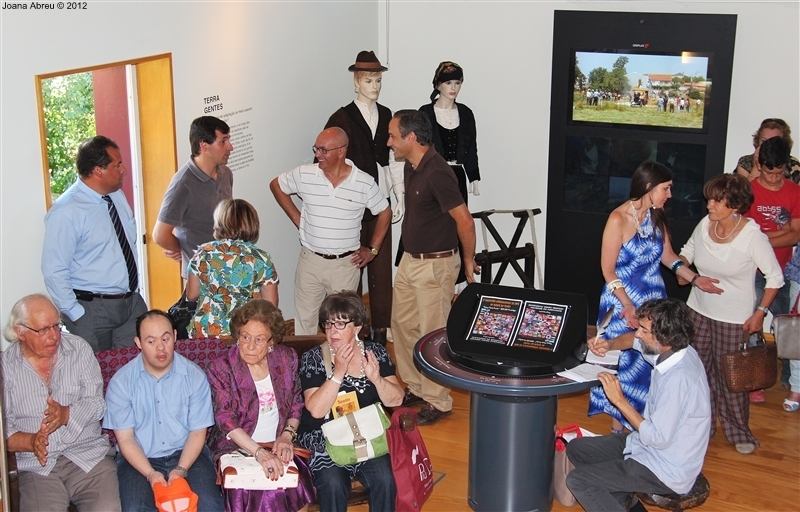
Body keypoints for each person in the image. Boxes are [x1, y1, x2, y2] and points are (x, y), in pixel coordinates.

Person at [588, 161, 721, 434]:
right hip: (621, 301)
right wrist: (627, 304)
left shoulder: (656, 215)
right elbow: (608, 270)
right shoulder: (618, 219)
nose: (669, 195)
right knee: (625, 366)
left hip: (653, 304)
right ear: (649, 187)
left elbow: (669, 257)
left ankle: (646, 426)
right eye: (666, 188)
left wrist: (695, 278)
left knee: (650, 364)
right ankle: (617, 434)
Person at [570, 299, 711, 512]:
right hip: (645, 446)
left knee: (579, 481)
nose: (637, 334)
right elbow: (632, 341)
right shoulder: (674, 350)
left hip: (666, 468)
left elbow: (657, 438)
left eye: (644, 330)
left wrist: (619, 400)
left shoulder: (679, 379)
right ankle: (629, 506)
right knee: (578, 449)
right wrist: (609, 344)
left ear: (664, 336)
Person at [679, 173, 784, 454]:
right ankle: (703, 427)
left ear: (735, 205)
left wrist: (760, 313)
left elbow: (775, 278)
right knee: (699, 372)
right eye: (710, 199)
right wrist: (684, 269)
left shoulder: (752, 237)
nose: (709, 205)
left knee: (730, 377)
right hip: (698, 310)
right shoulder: (706, 224)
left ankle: (738, 432)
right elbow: (687, 251)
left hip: (734, 318)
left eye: (716, 201)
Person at [388, 109, 478, 426]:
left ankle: (438, 400)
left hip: (435, 266)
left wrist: (468, 261)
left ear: (411, 138)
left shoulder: (438, 172)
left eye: (393, 136)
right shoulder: (411, 166)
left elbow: (465, 221)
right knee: (402, 326)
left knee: (432, 333)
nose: (389, 142)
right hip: (410, 261)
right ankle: (416, 387)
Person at [2, 294, 121, 511]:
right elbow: (4, 430)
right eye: (43, 330)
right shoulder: (5, 367)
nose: (54, 336)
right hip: (37, 465)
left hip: (87, 455)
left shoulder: (79, 349)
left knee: (107, 507)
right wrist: (32, 441)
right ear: (20, 332)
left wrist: (67, 414)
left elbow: (97, 403)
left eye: (56, 326)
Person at [270, 127, 390, 336]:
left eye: (324, 150)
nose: (318, 154)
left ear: (342, 151)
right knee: (305, 322)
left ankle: (341, 357)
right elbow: (276, 185)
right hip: (310, 261)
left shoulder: (363, 182)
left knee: (343, 324)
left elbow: (385, 212)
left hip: (345, 266)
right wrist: (298, 218)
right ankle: (308, 358)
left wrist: (373, 250)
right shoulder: (305, 174)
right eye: (316, 149)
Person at [323, 50, 405, 345]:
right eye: (369, 80)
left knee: (381, 267)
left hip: (380, 198)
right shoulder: (341, 118)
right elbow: (329, 159)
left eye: (378, 80)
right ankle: (353, 326)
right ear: (356, 82)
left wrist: (399, 195)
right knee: (352, 264)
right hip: (352, 203)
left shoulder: (386, 114)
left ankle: (382, 327)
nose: (375, 86)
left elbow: (394, 158)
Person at [104, 310, 223, 511]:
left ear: (175, 336)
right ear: (138, 343)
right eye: (151, 341)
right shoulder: (121, 382)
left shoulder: (194, 376)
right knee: (136, 509)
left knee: (210, 505)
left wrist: (180, 469)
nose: (160, 347)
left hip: (187, 453)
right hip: (140, 457)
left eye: (165, 339)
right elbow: (126, 439)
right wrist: (151, 474)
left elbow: (198, 432)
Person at [297, 291, 403, 512]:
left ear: (357, 327)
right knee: (333, 484)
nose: (332, 331)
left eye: (340, 324)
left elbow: (396, 399)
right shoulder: (313, 358)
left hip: (369, 435)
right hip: (323, 438)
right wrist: (338, 373)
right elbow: (316, 410)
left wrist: (377, 379)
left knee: (386, 480)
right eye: (328, 324)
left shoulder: (375, 353)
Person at [206, 299, 315, 512]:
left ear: (271, 341)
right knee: (257, 490)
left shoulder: (286, 359)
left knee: (296, 483)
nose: (250, 346)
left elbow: (296, 404)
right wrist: (259, 453)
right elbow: (225, 421)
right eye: (245, 337)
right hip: (237, 448)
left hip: (278, 444)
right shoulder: (221, 368)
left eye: (259, 340)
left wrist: (286, 436)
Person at [42, 135, 148, 352]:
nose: (124, 170)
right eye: (117, 165)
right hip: (92, 310)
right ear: (98, 170)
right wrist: (76, 314)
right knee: (95, 371)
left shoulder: (116, 196)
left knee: (133, 368)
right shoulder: (66, 211)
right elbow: (54, 270)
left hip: (131, 305)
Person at [744, 136, 800, 400]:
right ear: (760, 165)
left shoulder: (795, 191)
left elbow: (796, 234)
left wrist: (762, 239)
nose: (775, 178)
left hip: (785, 269)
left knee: (787, 325)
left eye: (780, 173)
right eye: (769, 173)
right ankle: (755, 380)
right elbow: (745, 236)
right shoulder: (748, 192)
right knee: (753, 322)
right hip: (752, 270)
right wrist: (780, 233)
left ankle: (790, 377)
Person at [419, 61, 481, 287]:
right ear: (438, 85)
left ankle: (459, 279)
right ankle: (432, 275)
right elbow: (419, 147)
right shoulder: (425, 113)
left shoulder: (465, 113)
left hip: (458, 176)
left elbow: (472, 146)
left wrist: (473, 175)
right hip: (433, 174)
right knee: (436, 224)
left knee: (459, 225)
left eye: (457, 83)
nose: (453, 88)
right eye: (448, 83)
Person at [186, 198, 279, 340]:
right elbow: (270, 305)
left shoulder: (203, 253)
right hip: (246, 334)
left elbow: (191, 295)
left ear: (219, 224)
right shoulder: (261, 259)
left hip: (206, 333)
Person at [153, 115, 234, 277]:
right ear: (204, 145)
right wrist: (184, 250)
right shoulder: (182, 184)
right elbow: (160, 235)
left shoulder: (226, 173)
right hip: (200, 276)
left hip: (227, 267)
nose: (230, 147)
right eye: (223, 142)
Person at [733, 117, 800, 182]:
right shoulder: (745, 162)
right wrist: (757, 165)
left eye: (773, 141)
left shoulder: (793, 164)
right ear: (758, 140)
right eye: (763, 141)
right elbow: (744, 189)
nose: (768, 145)